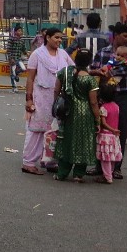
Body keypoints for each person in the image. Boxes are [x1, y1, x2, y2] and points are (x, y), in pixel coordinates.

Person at [89, 22, 127, 179]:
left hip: (124, 96)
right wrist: (99, 72)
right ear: (116, 36)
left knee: (120, 132)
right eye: (125, 36)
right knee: (101, 130)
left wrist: (107, 71)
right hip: (104, 97)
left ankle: (116, 167)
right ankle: (99, 165)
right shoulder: (103, 52)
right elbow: (94, 69)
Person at [22, 28, 75, 175]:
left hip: (59, 98)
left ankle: (50, 160)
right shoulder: (37, 55)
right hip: (41, 97)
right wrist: (29, 99)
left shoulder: (63, 54)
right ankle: (28, 162)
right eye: (56, 37)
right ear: (48, 37)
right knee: (36, 130)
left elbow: (73, 69)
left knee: (55, 130)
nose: (59, 40)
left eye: (61, 38)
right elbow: (30, 78)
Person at [51, 49, 97, 182]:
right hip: (85, 114)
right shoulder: (90, 79)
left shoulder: (64, 73)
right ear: (89, 62)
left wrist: (57, 105)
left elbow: (56, 90)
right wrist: (98, 120)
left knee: (66, 140)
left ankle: (62, 173)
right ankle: (78, 174)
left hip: (67, 112)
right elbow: (93, 102)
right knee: (83, 142)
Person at [95, 80, 123, 183]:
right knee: (111, 157)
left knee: (105, 158)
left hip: (106, 135)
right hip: (114, 136)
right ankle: (109, 173)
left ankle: (107, 177)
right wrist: (115, 130)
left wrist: (111, 129)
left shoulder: (103, 108)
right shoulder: (116, 106)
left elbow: (104, 123)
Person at [7, 26, 28, 91]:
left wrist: (27, 54)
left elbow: (24, 50)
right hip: (12, 59)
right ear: (15, 32)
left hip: (18, 59)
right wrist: (10, 58)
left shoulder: (22, 40)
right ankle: (14, 87)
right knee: (12, 74)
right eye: (19, 31)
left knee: (23, 69)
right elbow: (8, 49)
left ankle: (16, 73)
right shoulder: (11, 39)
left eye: (21, 31)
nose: (20, 32)